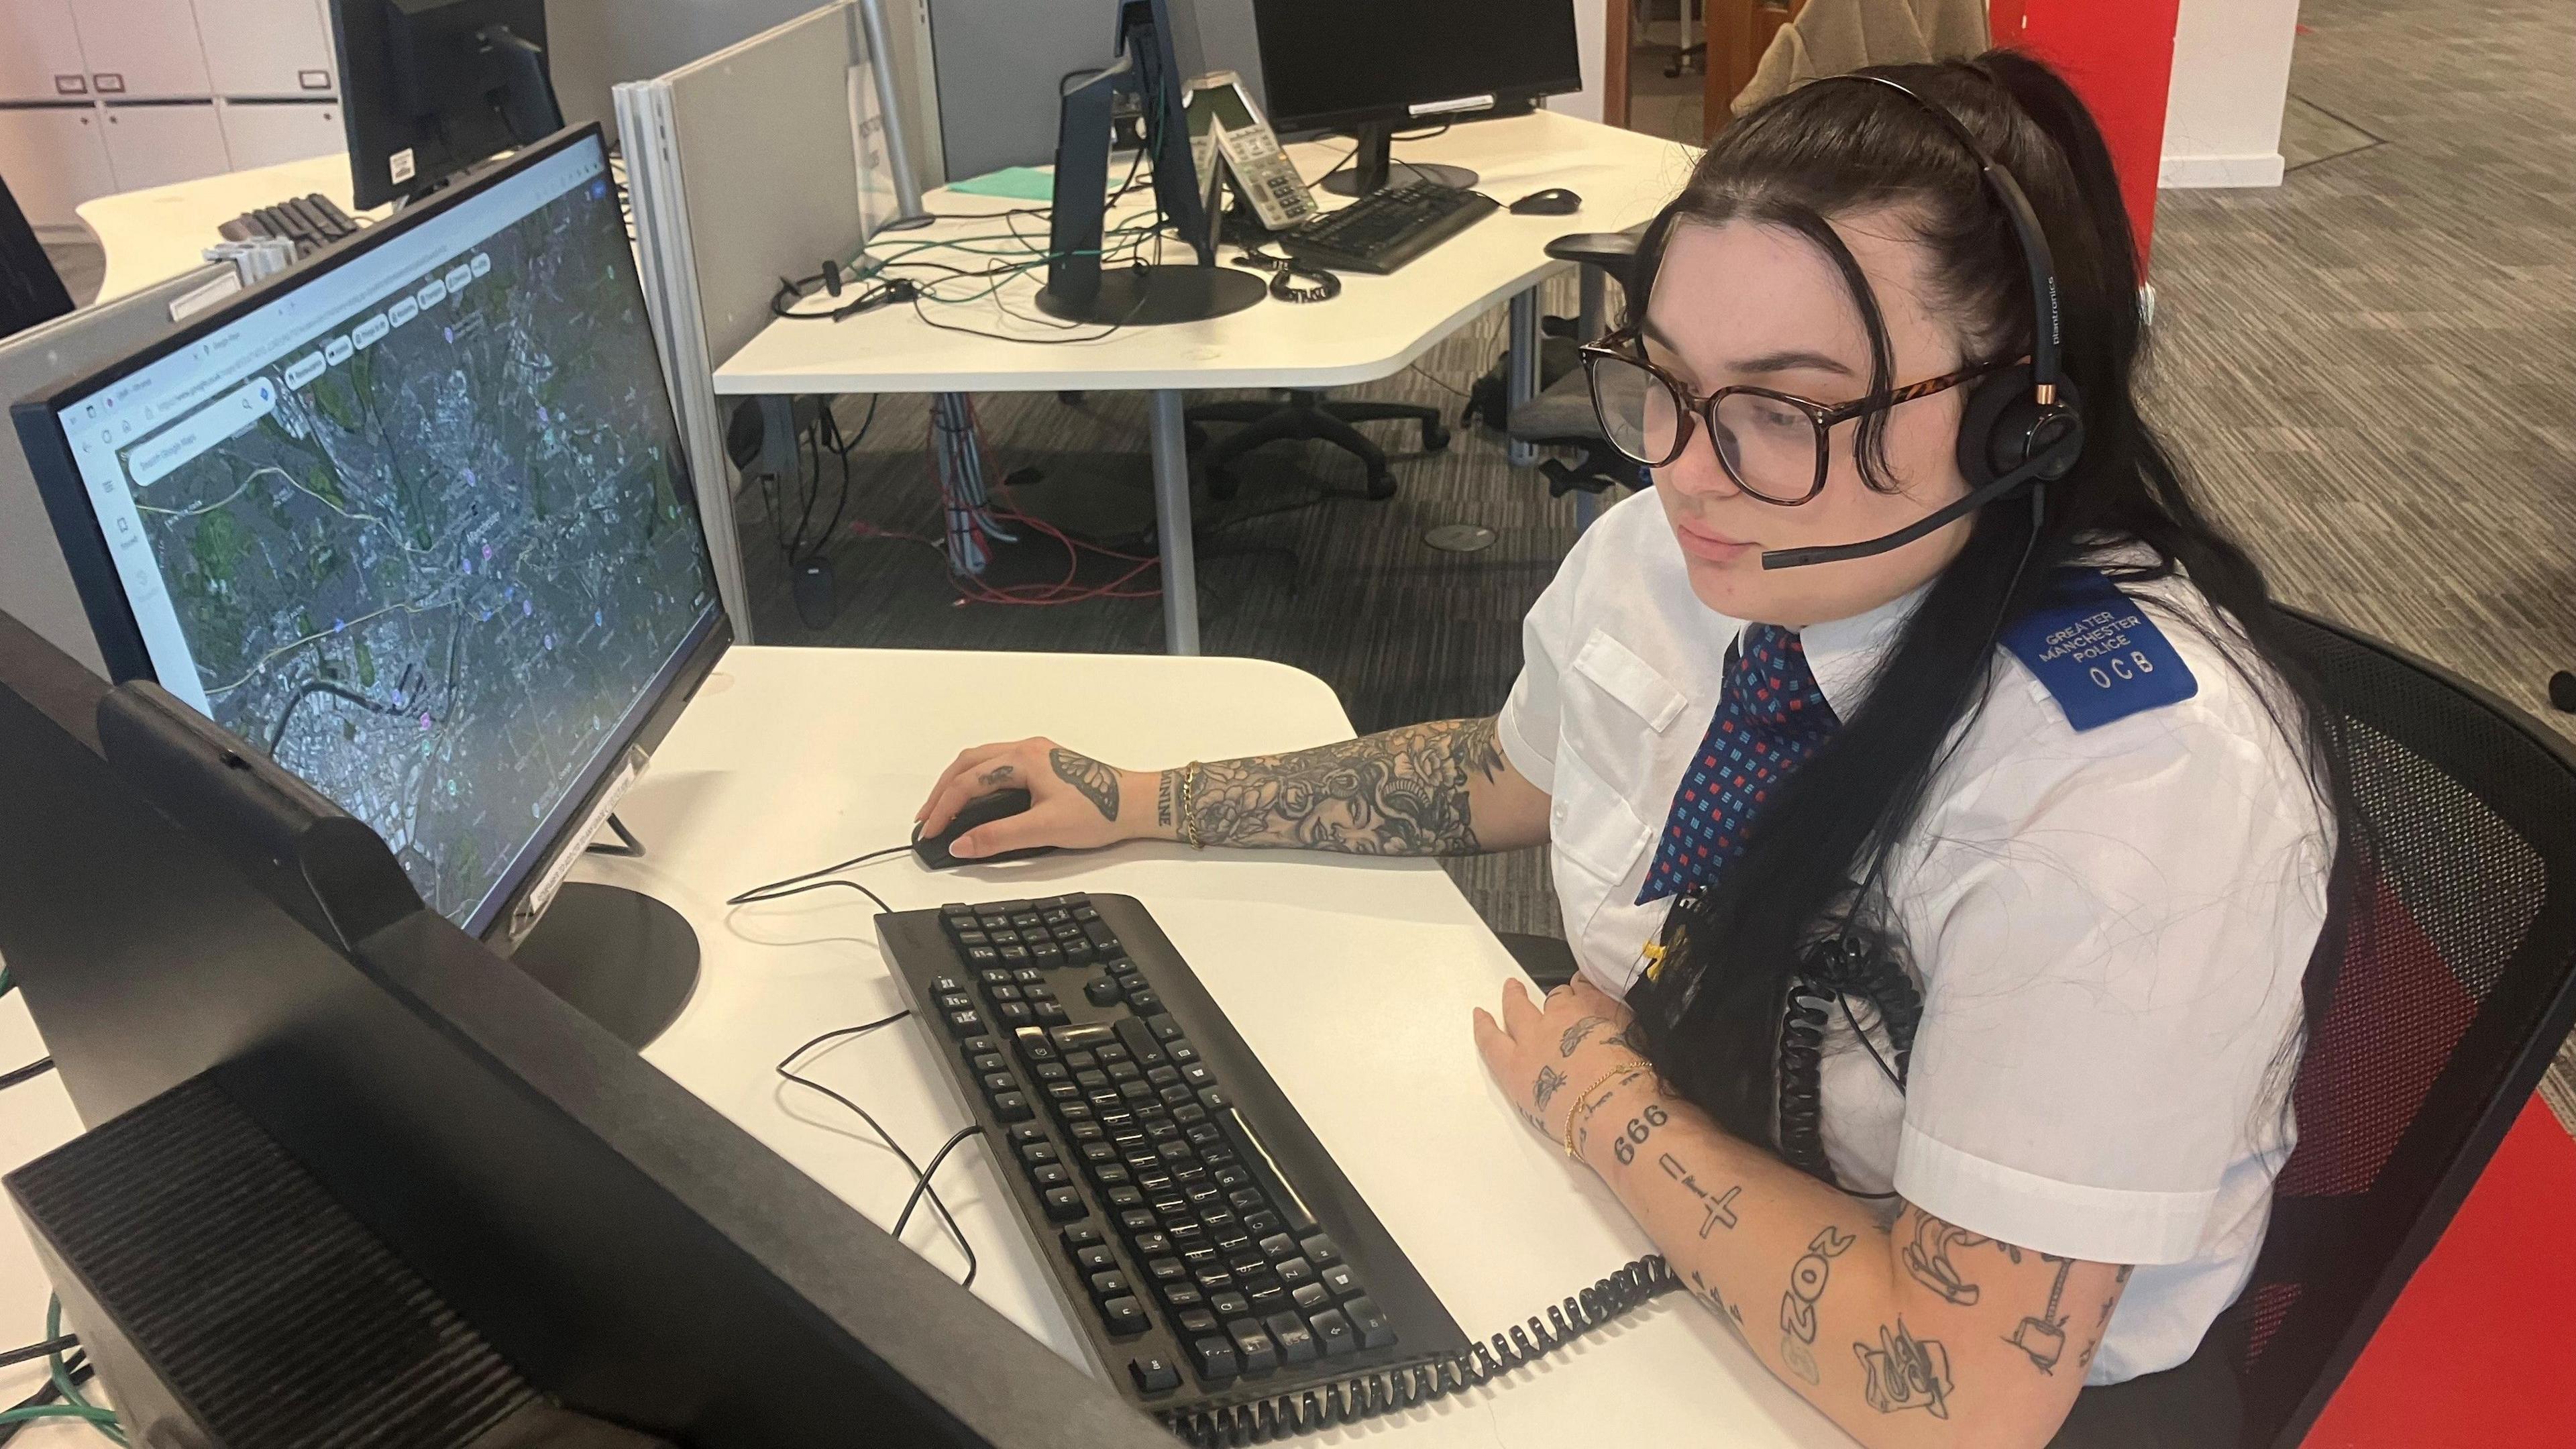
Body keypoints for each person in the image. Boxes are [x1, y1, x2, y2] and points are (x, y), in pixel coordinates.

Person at [914, 54, 2341, 1449]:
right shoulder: (1691, 551)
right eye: (1661, 381)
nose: (1683, 468)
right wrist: (1146, 799)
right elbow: (1518, 773)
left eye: (1786, 409)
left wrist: (1608, 1112)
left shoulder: (2127, 795)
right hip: (1669, 1193)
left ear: (2021, 419)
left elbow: (1962, 1388)